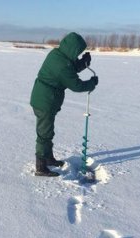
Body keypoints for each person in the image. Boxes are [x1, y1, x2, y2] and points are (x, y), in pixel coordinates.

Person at [30, 32, 99, 177]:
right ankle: (41, 166)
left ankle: (48, 158)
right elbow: (76, 84)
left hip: (46, 98)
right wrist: (91, 83)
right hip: (45, 100)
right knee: (44, 133)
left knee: (48, 131)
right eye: (78, 51)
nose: (78, 54)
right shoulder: (61, 64)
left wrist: (82, 63)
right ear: (73, 48)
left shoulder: (58, 55)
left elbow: (70, 68)